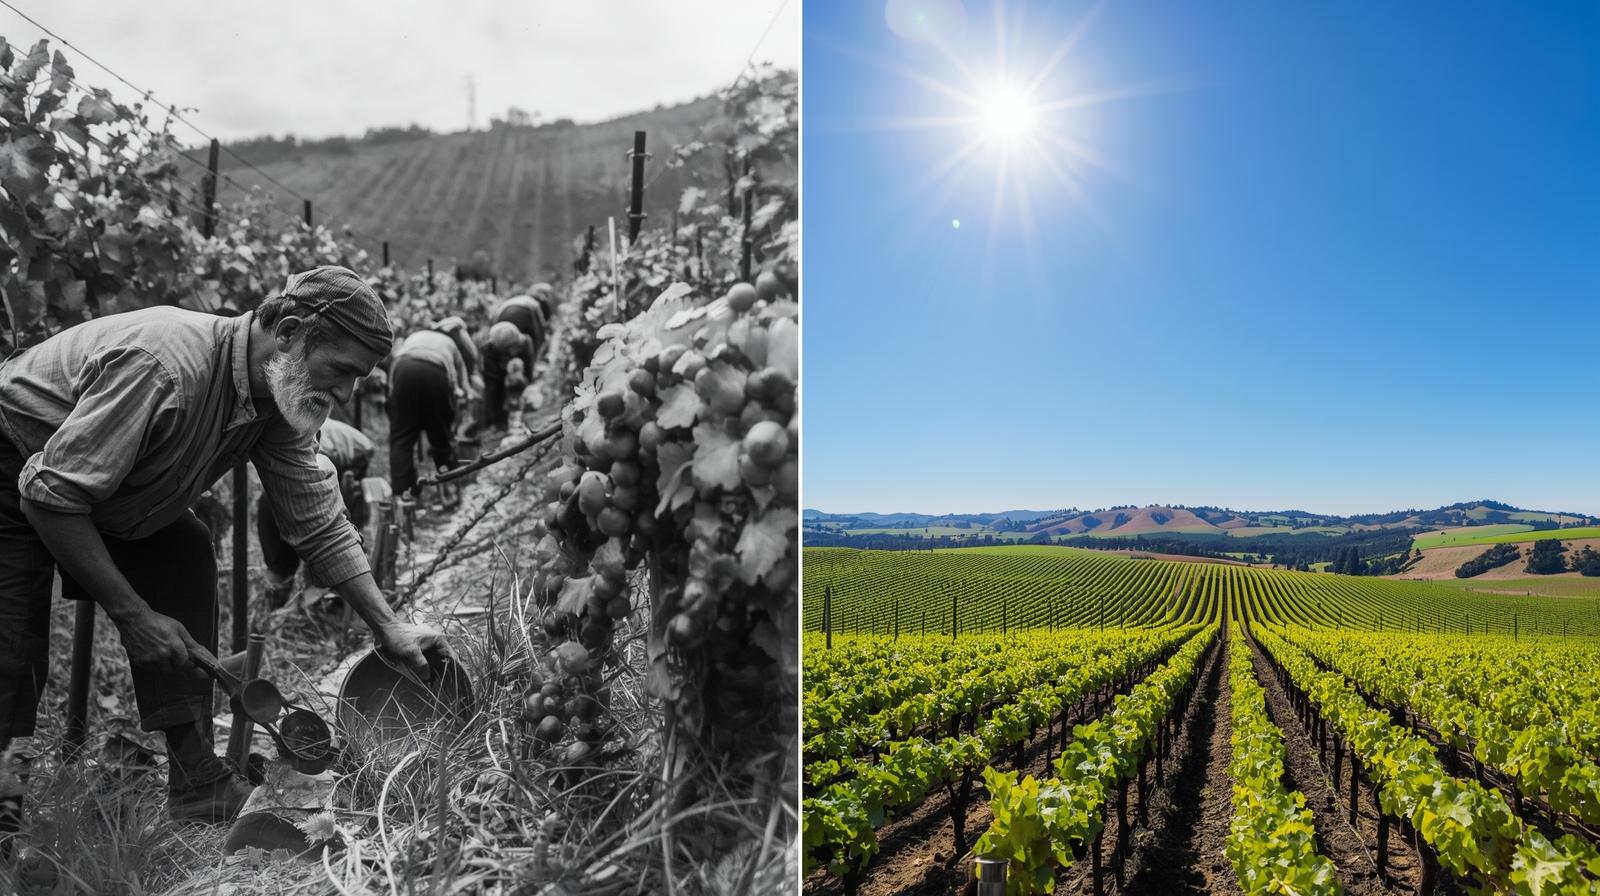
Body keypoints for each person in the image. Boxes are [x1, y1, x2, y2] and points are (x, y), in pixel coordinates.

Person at [0, 265, 451, 828]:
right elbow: (50, 496)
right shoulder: (167, 367)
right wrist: (134, 616)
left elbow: (317, 520)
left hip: (97, 488)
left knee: (183, 550)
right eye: (340, 370)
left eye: (357, 379)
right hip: (12, 461)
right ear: (288, 332)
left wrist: (388, 626)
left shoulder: (279, 399)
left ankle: (196, 781)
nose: (344, 393)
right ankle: (4, 821)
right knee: (11, 650)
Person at [257, 418, 375, 610]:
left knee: (283, 568)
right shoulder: (310, 447)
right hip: (290, 489)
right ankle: (285, 611)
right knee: (301, 562)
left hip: (276, 491)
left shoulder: (302, 436)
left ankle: (272, 615)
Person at [387, 325, 471, 496]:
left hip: (403, 370)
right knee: (440, 435)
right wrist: (453, 414)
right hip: (435, 372)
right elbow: (460, 385)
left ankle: (404, 494)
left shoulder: (415, 335)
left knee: (401, 439)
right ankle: (449, 485)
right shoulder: (450, 343)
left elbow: (393, 372)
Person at [477, 294, 546, 430]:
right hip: (504, 312)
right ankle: (495, 418)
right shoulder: (493, 341)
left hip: (528, 309)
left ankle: (520, 406)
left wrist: (526, 378)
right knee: (494, 381)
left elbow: (538, 342)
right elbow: (492, 379)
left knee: (526, 372)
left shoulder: (527, 338)